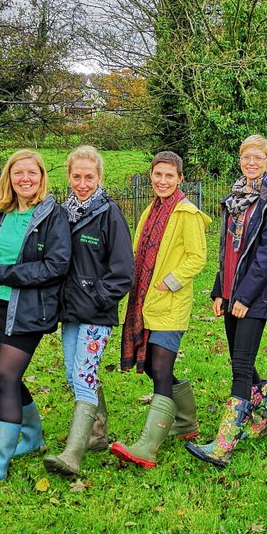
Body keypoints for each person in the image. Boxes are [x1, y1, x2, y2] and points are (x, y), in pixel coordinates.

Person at [0, 149, 71, 484]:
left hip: (28, 309)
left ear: (41, 176)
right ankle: (32, 438)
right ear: (9, 178)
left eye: (31, 173)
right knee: (4, 377)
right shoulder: (4, 213)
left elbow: (56, 266)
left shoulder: (52, 215)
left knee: (6, 374)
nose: (25, 179)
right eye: (18, 173)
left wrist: (8, 273)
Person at [186, 135, 267, 469]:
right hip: (233, 290)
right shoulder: (235, 198)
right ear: (240, 160)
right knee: (239, 356)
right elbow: (227, 250)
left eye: (258, 157)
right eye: (246, 157)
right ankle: (261, 422)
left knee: (241, 365)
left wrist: (245, 296)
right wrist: (221, 290)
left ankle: (223, 443)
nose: (251, 162)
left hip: (255, 295)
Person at [112, 151, 212, 468]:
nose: (163, 181)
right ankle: (186, 423)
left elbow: (197, 257)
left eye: (170, 176)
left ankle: (148, 446)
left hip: (169, 303)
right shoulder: (150, 211)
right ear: (151, 176)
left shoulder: (187, 213)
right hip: (145, 302)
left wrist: (170, 282)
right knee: (157, 368)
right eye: (158, 175)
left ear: (180, 179)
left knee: (160, 369)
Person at [42, 146, 133, 479]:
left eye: (89, 177)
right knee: (74, 373)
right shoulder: (61, 214)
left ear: (100, 177)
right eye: (77, 177)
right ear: (68, 176)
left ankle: (73, 453)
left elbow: (124, 270)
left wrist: (98, 297)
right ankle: (97, 434)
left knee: (83, 375)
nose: (82, 183)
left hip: (96, 312)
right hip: (70, 311)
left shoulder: (109, 214)